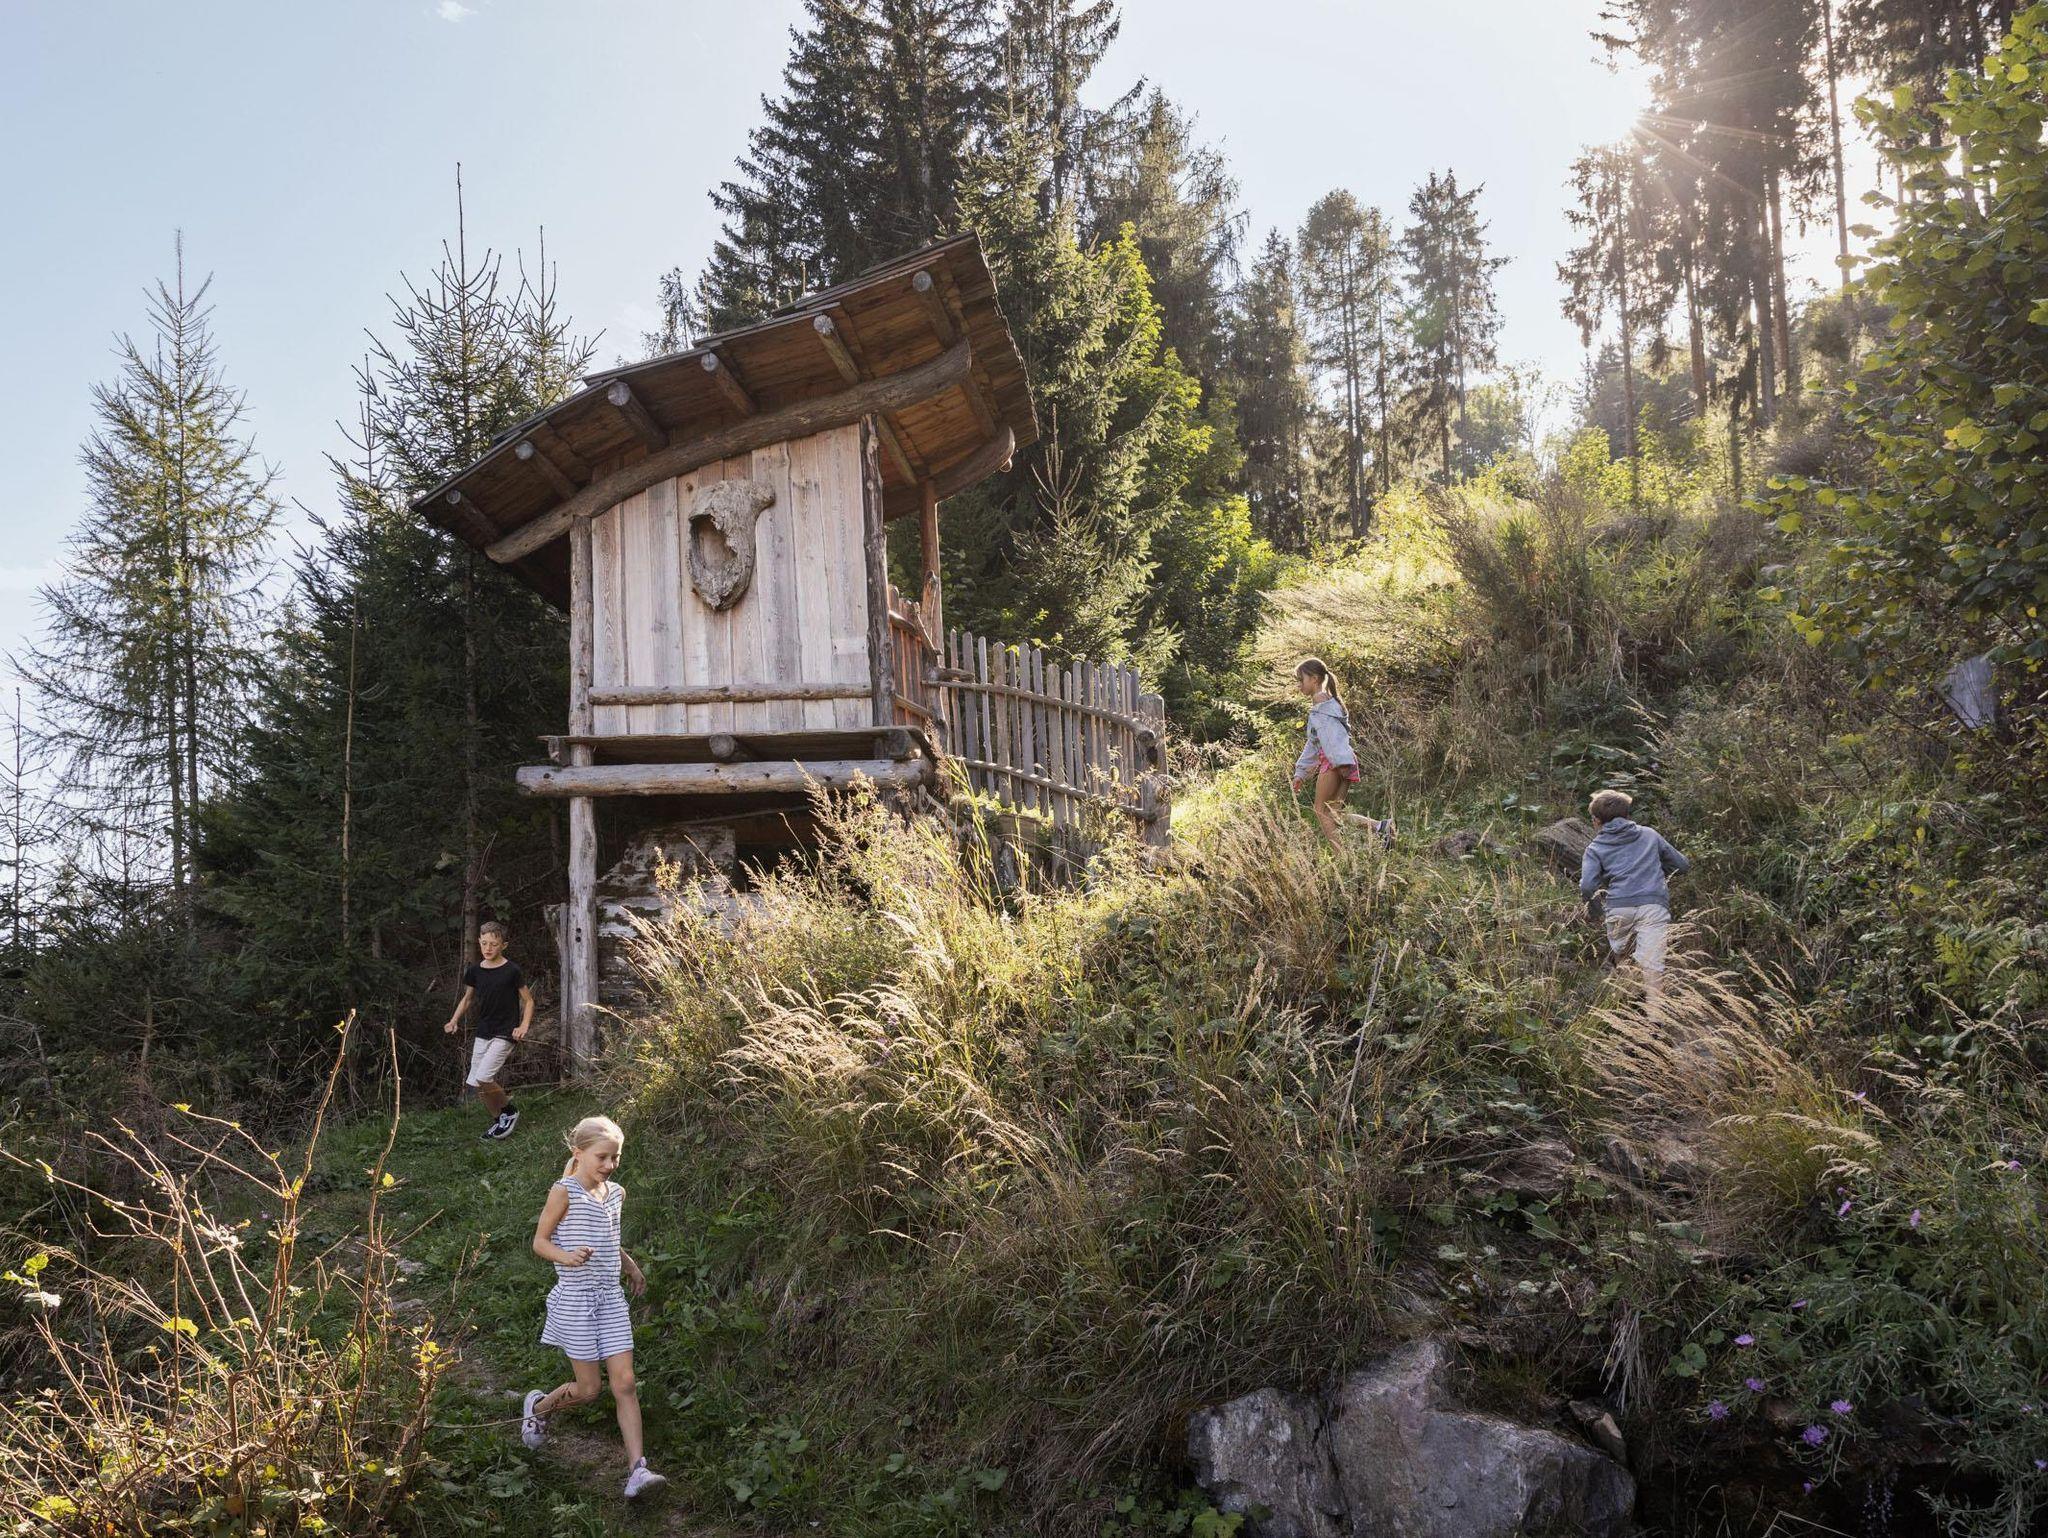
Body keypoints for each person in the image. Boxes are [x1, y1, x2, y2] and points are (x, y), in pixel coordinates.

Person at [519, 1115, 666, 1500]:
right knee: (589, 1390)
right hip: (576, 1300)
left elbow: (609, 1239)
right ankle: (540, 1408)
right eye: (602, 1157)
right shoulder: (564, 1192)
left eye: (615, 1157)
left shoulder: (615, 1193)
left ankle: (638, 1470)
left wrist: (630, 1266)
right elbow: (540, 1241)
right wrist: (565, 1257)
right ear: (578, 1153)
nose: (610, 1165)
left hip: (610, 1299)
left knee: (625, 1383)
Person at [1579, 789, 1691, 999]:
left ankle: (1628, 1005)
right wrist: (1656, 872)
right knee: (1653, 967)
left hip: (1618, 907)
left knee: (1622, 956)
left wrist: (1595, 912)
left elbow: (1587, 886)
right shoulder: (1649, 834)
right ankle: (1654, 1014)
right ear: (1627, 815)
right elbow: (1682, 865)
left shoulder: (1594, 848)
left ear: (1596, 821)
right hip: (1652, 906)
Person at [442, 921, 534, 1141]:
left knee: (484, 1076)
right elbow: (467, 999)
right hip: (484, 1031)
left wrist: (523, 1026)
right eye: (484, 943)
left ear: (503, 945)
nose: (488, 948)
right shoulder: (475, 971)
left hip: (505, 1032)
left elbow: (529, 1001)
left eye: (493, 944)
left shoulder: (512, 970)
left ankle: (509, 1111)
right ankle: (498, 1120)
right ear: (479, 942)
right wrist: (454, 1020)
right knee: (476, 1082)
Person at [1290, 657, 1394, 850]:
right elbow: (1314, 743)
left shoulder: (1322, 709)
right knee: (1334, 814)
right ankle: (1380, 827)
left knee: (1320, 810)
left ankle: (1341, 858)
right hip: (1343, 759)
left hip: (1335, 761)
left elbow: (1333, 738)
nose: (1299, 685)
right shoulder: (1326, 706)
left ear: (1314, 679)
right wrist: (1301, 772)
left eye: (1301, 679)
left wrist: (1340, 762)